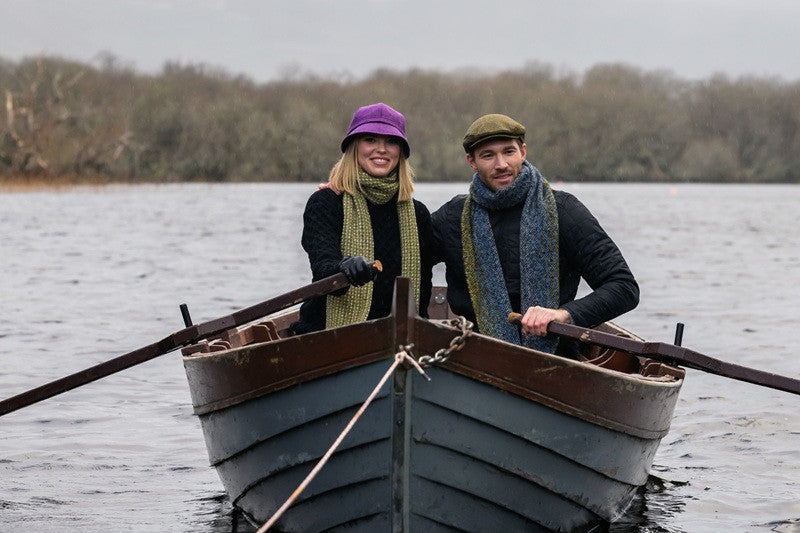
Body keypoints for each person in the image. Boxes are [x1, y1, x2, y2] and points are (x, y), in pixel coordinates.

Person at [431, 113, 639, 358]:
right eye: (488, 155)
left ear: (523, 152)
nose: (501, 164)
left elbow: (624, 287)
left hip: (556, 356)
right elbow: (406, 263)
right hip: (473, 354)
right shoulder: (452, 217)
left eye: (509, 152)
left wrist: (562, 315)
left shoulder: (564, 211)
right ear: (472, 162)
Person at [290, 103, 433, 334]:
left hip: (400, 337)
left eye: (391, 142)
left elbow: (423, 292)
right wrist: (344, 267)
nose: (381, 149)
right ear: (354, 147)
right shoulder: (325, 202)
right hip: (327, 335)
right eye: (370, 140)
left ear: (401, 152)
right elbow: (323, 271)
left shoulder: (418, 214)